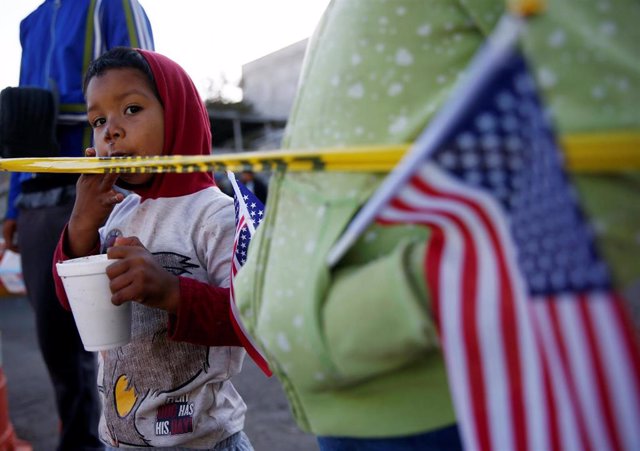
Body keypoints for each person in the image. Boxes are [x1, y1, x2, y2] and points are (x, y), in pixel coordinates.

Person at [232, 0, 640, 450]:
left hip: (454, 398)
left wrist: (413, 294)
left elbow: (618, 166)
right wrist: (266, 294)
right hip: (351, 395)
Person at [52, 47, 253, 450]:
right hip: (119, 439)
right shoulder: (116, 212)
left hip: (206, 440)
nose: (110, 130)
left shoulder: (214, 215)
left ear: (178, 114)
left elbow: (251, 321)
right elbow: (72, 300)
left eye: (130, 109)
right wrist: (80, 226)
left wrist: (173, 293)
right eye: (98, 119)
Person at [2, 2, 154, 450]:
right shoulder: (29, 23)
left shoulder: (110, 3)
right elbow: (22, 123)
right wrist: (14, 205)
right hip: (37, 200)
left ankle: (137, 439)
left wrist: (144, 186)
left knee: (132, 336)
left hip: (103, 186)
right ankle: (82, 441)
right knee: (57, 343)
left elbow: (143, 88)